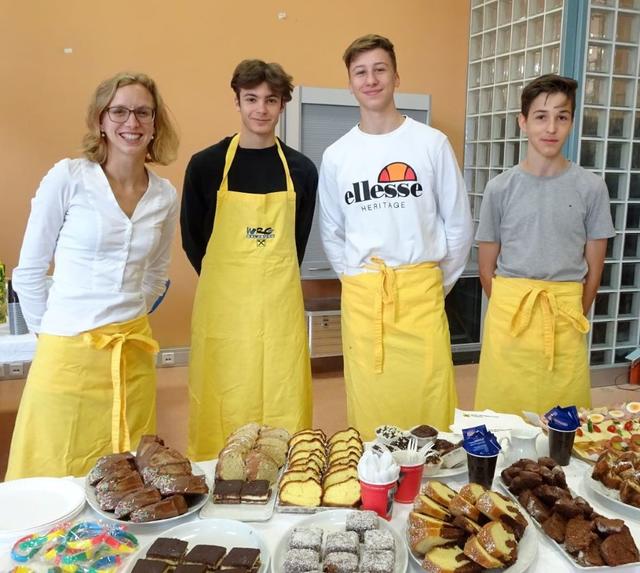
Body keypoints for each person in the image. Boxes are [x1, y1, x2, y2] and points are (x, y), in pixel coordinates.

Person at [6, 72, 180, 479]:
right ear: (100, 120)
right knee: (52, 467)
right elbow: (29, 272)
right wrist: (51, 336)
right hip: (66, 354)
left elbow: (156, 272)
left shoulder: (164, 195)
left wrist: (133, 309)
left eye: (142, 113)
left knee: (127, 478)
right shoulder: (68, 178)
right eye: (118, 111)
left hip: (131, 354)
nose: (131, 123)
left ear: (155, 124)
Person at [318, 35, 473, 439]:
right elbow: (332, 232)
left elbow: (457, 224)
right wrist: (357, 279)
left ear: (396, 76)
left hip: (421, 295)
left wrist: (433, 284)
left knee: (430, 400)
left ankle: (433, 490)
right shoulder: (337, 155)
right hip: (365, 299)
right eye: (360, 72)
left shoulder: (431, 144)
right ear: (350, 83)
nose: (371, 80)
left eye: (379, 69)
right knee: (372, 405)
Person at [181, 60, 317, 459]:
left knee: (282, 392)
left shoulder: (301, 170)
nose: (261, 109)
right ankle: (214, 463)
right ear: (237, 101)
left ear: (282, 105)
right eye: (251, 99)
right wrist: (228, 283)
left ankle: (289, 469)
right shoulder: (206, 165)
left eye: (270, 100)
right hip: (223, 313)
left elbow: (299, 241)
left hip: (279, 313)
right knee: (222, 393)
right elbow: (194, 240)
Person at [474, 74, 615, 415]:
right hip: (511, 316)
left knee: (563, 418)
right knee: (502, 418)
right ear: (523, 122)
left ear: (571, 121)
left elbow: (594, 272)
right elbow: (486, 267)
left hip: (564, 314)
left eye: (562, 116)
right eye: (541, 116)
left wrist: (570, 310)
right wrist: (511, 305)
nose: (551, 127)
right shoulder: (500, 188)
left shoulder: (592, 188)